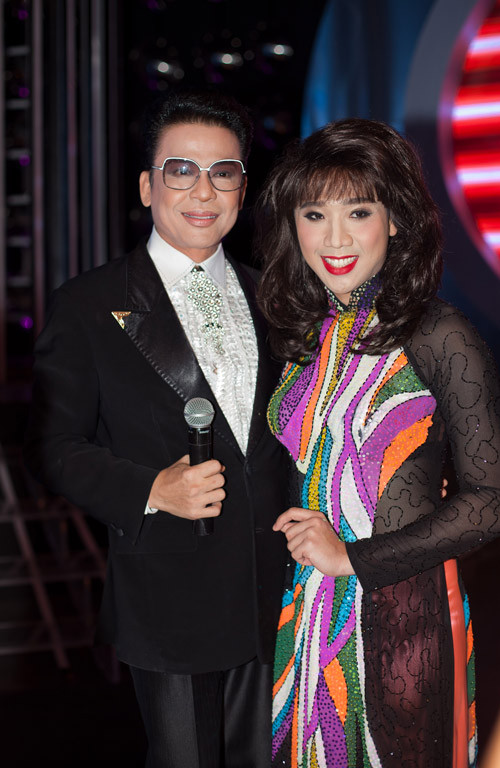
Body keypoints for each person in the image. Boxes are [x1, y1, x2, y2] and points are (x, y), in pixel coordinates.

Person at [24, 89, 289, 768]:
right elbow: (52, 448)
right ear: (147, 186)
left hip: (282, 591)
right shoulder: (88, 304)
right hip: (171, 598)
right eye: (181, 170)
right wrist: (150, 490)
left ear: (242, 189)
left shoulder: (278, 297)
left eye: (223, 172)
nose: (203, 190)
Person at [256, 118, 500, 768]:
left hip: (403, 620)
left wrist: (352, 559)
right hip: (308, 610)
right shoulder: (306, 335)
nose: (335, 239)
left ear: (395, 220)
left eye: (358, 212)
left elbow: (489, 502)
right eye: (314, 215)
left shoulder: (438, 333)